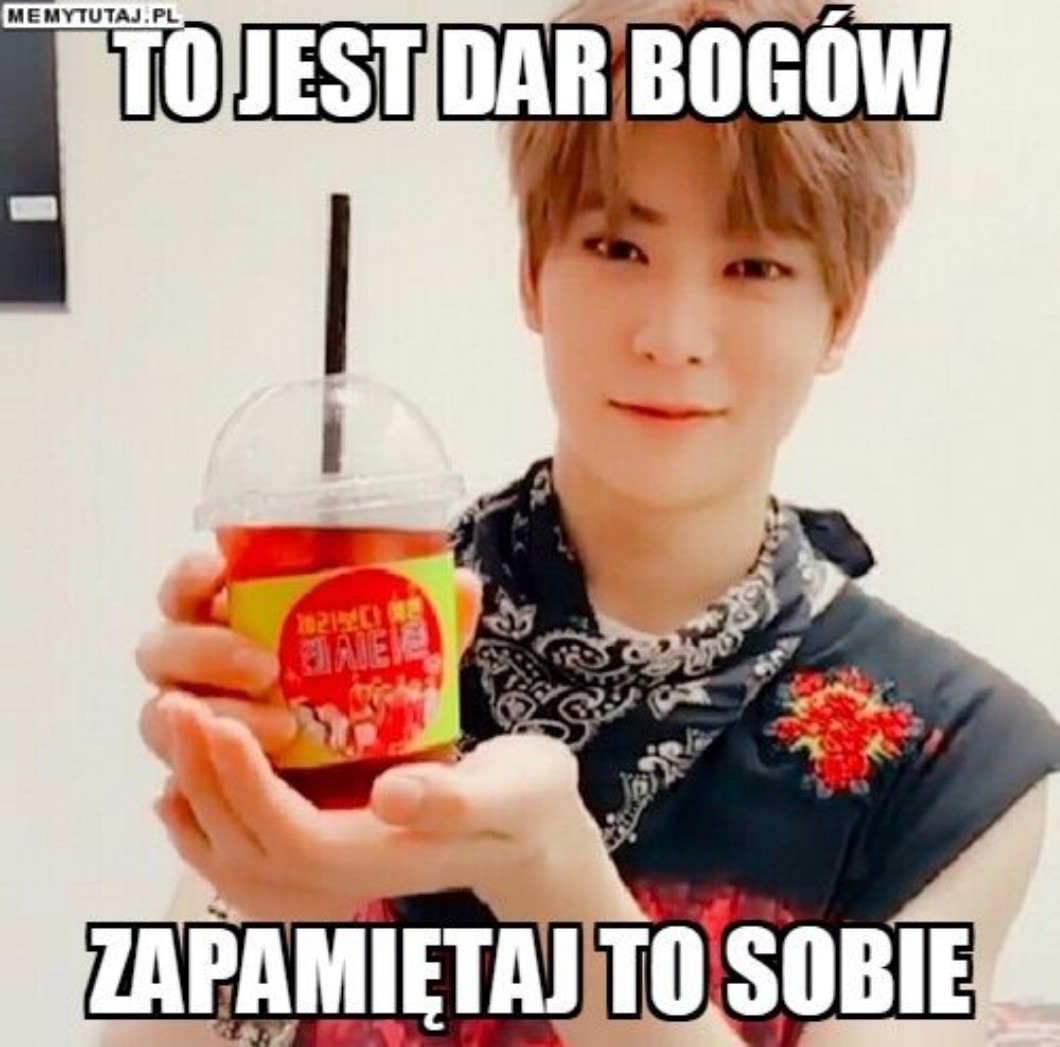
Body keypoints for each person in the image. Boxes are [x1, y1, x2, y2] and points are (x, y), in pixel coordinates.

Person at [103, 0, 1060, 1044]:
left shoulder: (958, 757)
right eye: (617, 246)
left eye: (754, 266)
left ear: (841, 313)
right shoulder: (370, 633)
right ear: (532, 273)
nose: (672, 336)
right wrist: (255, 864)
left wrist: (558, 886)